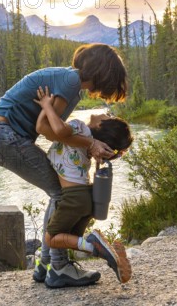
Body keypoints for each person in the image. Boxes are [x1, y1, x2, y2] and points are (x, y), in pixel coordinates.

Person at [0, 43, 128, 288]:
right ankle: (58, 268)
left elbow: (56, 131)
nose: (105, 92)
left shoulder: (70, 82)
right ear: (104, 72)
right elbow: (45, 129)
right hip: (3, 135)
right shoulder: (71, 82)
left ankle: (45, 264)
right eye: (111, 81)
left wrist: (93, 144)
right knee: (62, 193)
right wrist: (91, 142)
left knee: (58, 192)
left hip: (1, 135)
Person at [33, 85, 133, 287]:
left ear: (102, 128)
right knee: (67, 238)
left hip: (74, 197)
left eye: (108, 117)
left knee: (51, 238)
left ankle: (93, 246)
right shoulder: (92, 146)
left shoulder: (80, 129)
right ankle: (111, 256)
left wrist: (46, 105)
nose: (105, 112)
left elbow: (52, 129)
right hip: (86, 198)